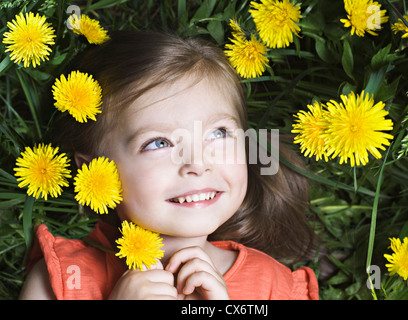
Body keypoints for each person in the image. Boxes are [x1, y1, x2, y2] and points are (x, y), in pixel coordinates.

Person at [19, 31, 319, 300]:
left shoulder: (275, 288)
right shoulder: (60, 281)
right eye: (159, 143)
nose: (198, 164)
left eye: (218, 133)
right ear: (96, 170)